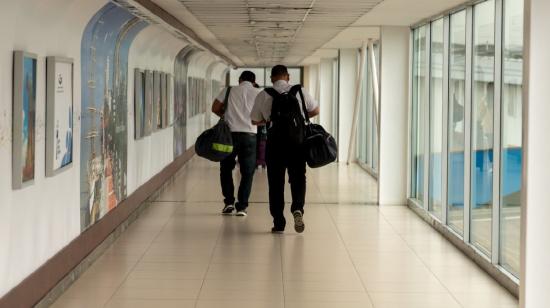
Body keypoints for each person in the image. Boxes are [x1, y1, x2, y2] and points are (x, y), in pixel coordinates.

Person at [251, 65, 320, 233]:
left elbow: (254, 120)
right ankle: (297, 208)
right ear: (288, 76)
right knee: (298, 178)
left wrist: (268, 120)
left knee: (275, 183)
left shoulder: (264, 94)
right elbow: (315, 110)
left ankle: (279, 221)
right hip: (297, 144)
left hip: (274, 144)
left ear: (271, 78)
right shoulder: (300, 91)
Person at [211, 71, 261, 216]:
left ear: (239, 80)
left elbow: (214, 108)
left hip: (229, 136)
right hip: (250, 135)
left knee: (226, 169)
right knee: (247, 172)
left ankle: (229, 203)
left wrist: (226, 115)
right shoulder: (259, 92)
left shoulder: (228, 90)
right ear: (254, 81)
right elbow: (265, 113)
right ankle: (242, 207)